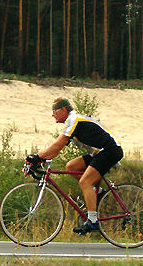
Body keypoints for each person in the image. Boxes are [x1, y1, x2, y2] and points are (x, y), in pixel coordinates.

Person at [26, 97, 123, 234]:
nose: (52, 114)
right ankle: (99, 192)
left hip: (109, 151)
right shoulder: (71, 122)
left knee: (85, 182)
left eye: (54, 111)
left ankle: (93, 221)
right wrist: (37, 160)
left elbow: (57, 145)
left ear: (64, 110)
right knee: (71, 167)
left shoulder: (74, 120)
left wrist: (37, 156)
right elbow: (55, 151)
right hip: (99, 153)